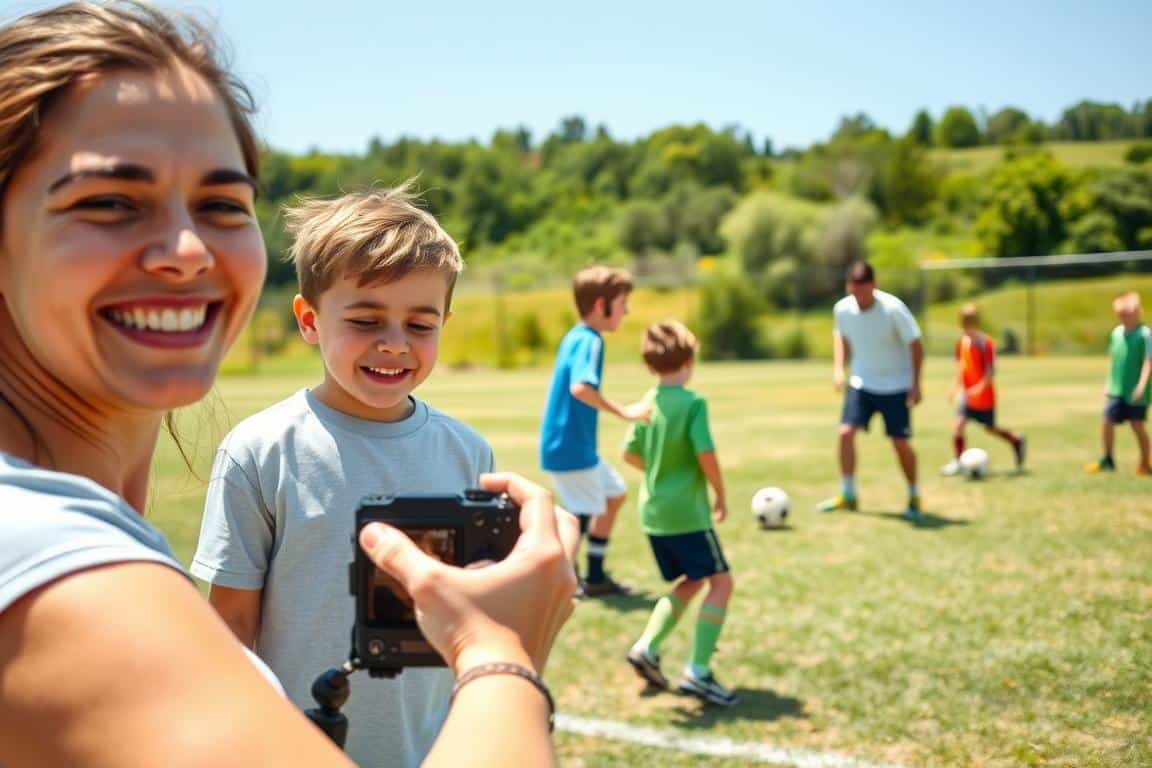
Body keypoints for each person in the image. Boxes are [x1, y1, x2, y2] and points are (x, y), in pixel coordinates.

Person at [0, 4, 576, 767]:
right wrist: (502, 655)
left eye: (222, 204)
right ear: (310, 317)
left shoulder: (77, 527)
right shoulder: (43, 554)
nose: (185, 249)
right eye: (108, 201)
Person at [192, 186, 501, 768]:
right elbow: (231, 627)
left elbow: (474, 615)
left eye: (420, 324)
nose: (394, 344)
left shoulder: (470, 454)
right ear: (309, 320)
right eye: (365, 319)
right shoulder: (261, 451)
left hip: (433, 748)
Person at [621, 320, 737, 707]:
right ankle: (698, 672)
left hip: (654, 513)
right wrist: (719, 494)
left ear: (650, 365)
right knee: (721, 582)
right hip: (687, 513)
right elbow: (705, 453)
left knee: (692, 580)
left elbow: (629, 454)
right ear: (688, 361)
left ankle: (646, 647)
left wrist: (660, 473)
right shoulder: (693, 403)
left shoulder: (648, 401)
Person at [540, 265, 648, 596]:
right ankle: (561, 582)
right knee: (580, 516)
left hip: (569, 445)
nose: (626, 311)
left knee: (613, 494)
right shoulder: (590, 341)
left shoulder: (575, 336)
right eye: (622, 303)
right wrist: (624, 412)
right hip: (570, 447)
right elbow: (581, 387)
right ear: (602, 305)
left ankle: (591, 577)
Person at [819, 261, 925, 521]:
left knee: (899, 443)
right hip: (861, 382)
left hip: (895, 386)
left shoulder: (893, 309)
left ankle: (913, 494)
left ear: (874, 286)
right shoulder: (842, 309)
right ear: (848, 287)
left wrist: (916, 383)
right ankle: (848, 494)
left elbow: (916, 344)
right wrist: (838, 369)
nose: (859, 298)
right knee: (845, 433)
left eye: (864, 292)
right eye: (854, 292)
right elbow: (840, 337)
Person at [940, 303, 1027, 476]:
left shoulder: (985, 343)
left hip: (984, 397)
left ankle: (1016, 440)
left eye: (970, 324)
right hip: (967, 395)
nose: (966, 328)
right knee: (958, 426)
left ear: (976, 323)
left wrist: (979, 389)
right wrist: (955, 388)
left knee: (990, 428)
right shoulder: (962, 343)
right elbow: (961, 368)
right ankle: (958, 462)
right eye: (964, 324)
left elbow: (990, 372)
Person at [1084, 291, 1152, 475]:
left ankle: (1145, 463)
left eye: (1126, 314)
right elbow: (1114, 360)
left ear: (1137, 312)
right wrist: (1108, 383)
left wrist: (1141, 385)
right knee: (1107, 420)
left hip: (1137, 390)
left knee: (1137, 425)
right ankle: (1108, 459)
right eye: (1119, 315)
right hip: (1117, 388)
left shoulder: (1145, 334)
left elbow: (1148, 362)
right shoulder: (1116, 333)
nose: (1122, 318)